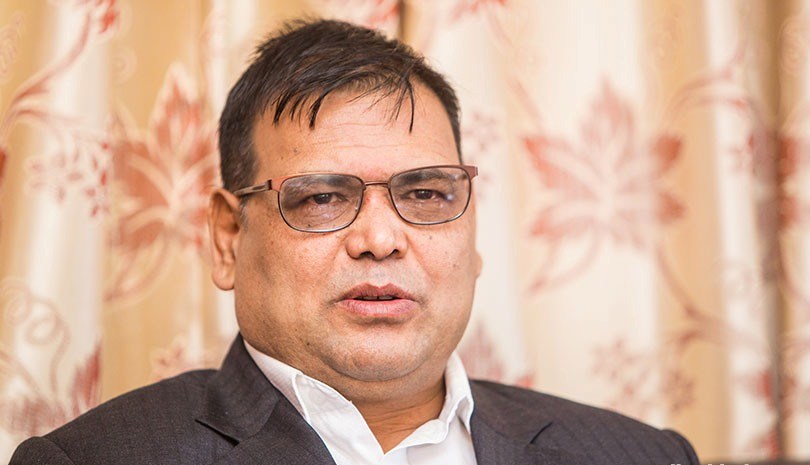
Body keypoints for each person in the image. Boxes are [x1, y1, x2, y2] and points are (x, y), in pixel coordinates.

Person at [10, 19, 699, 465]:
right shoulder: (96, 459)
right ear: (227, 238)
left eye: (425, 194)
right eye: (321, 198)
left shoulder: (640, 455)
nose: (380, 239)